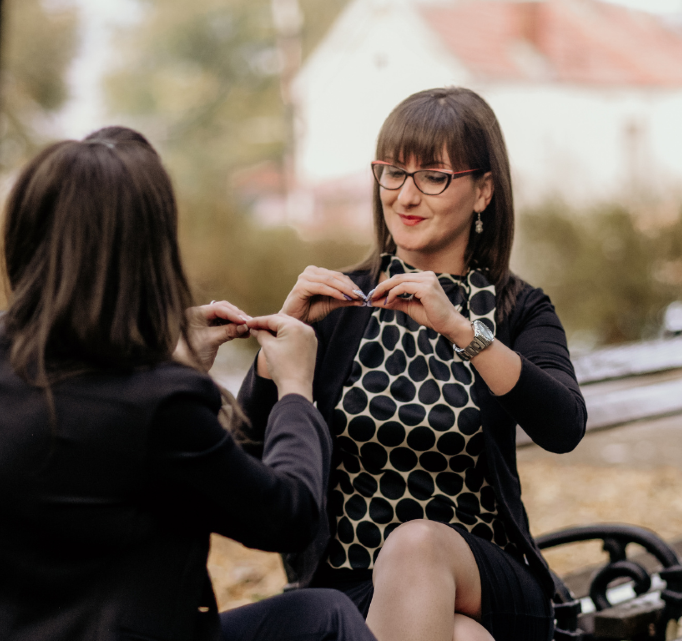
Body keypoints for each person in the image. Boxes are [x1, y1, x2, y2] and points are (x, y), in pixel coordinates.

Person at [0, 126, 375, 641]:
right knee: (327, 621)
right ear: (146, 252)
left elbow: (153, 446)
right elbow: (287, 516)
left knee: (322, 617)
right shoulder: (156, 404)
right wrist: (294, 390)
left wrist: (160, 353)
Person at [237, 88, 587, 641]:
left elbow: (564, 426)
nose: (406, 195)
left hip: (486, 576)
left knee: (418, 544)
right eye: (393, 172)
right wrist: (278, 343)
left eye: (433, 176)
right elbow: (248, 450)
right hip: (350, 583)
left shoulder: (517, 309)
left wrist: (461, 331)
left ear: (483, 191)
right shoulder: (339, 303)